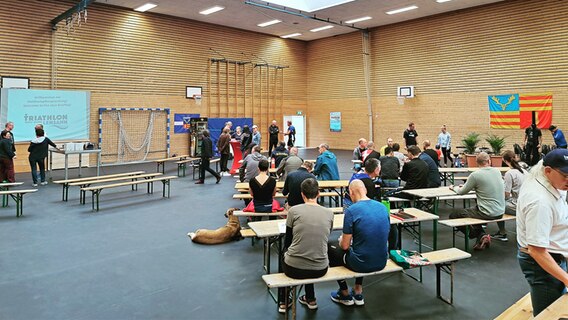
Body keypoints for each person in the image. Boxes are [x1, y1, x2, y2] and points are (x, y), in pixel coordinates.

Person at [516, 149, 568, 316]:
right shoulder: (540, 202)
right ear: (548, 171)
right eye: (565, 176)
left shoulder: (548, 176)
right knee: (548, 313)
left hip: (555, 253)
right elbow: (537, 251)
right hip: (542, 263)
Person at [328, 179, 390, 306]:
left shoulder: (351, 211)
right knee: (361, 246)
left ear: (351, 192)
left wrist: (341, 241)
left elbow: (344, 246)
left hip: (360, 264)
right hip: (382, 260)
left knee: (331, 247)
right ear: (365, 190)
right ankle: (358, 290)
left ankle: (344, 293)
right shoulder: (382, 207)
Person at [278, 178, 334, 313]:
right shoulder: (329, 213)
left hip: (293, 268)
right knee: (312, 249)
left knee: (284, 254)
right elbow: (325, 237)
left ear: (302, 194)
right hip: (320, 268)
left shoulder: (294, 211)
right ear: (318, 193)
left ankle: (284, 301)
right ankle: (311, 298)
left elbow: (288, 241)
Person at [449, 152, 505, 250]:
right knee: (473, 210)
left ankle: (479, 235)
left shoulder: (475, 175)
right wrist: (472, 187)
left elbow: (461, 192)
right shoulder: (497, 171)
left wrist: (453, 187)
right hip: (500, 211)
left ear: (476, 162)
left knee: (454, 214)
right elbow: (486, 186)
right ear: (489, 161)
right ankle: (481, 235)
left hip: (487, 212)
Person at [491, 150, 527, 241]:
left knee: (497, 205)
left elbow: (506, 195)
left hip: (517, 205)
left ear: (504, 160)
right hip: (527, 202)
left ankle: (502, 233)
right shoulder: (524, 171)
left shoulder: (509, 173)